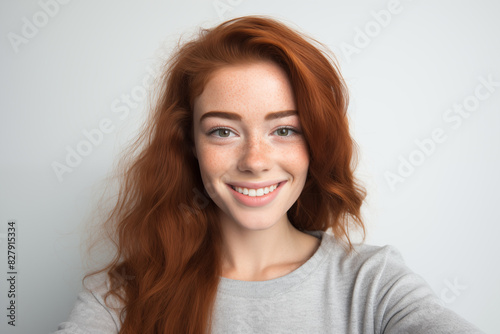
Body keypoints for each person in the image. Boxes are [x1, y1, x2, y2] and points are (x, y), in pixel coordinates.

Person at [55, 15, 483, 334]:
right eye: (223, 131)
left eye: (284, 130)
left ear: (316, 141)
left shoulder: (372, 284)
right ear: (189, 144)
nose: (255, 160)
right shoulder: (124, 294)